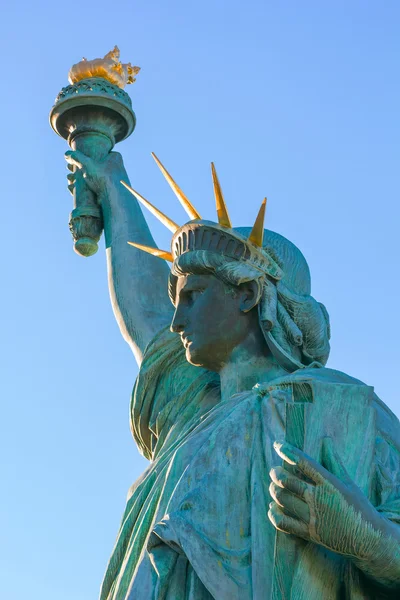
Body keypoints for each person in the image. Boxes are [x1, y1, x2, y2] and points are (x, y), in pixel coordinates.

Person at [65, 149, 400, 599]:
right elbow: (145, 314)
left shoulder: (350, 409)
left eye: (193, 297)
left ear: (246, 294)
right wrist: (111, 187)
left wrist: (367, 538)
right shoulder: (192, 412)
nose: (176, 321)